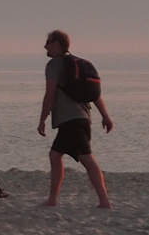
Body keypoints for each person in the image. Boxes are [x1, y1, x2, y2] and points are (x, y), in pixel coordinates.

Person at [39, 30, 112, 209]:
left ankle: (104, 201)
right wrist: (105, 116)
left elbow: (49, 95)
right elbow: (95, 94)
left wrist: (42, 120)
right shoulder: (78, 64)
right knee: (55, 155)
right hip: (82, 119)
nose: (45, 46)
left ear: (56, 44)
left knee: (87, 159)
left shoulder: (55, 65)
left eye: (48, 42)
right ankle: (52, 199)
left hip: (70, 121)